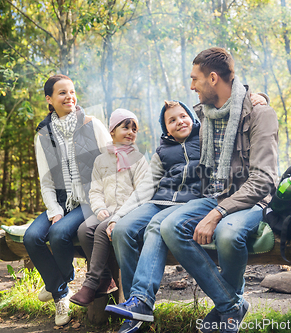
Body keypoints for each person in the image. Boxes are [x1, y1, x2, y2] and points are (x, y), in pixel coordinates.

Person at [108, 47, 278, 333]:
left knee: (227, 233)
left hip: (250, 199)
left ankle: (228, 307)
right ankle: (229, 305)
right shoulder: (206, 115)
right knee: (168, 226)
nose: (190, 87)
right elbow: (180, 131)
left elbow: (263, 180)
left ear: (213, 79)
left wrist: (218, 212)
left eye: (194, 79)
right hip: (216, 196)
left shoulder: (259, 114)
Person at [104, 100, 203, 333]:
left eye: (183, 116)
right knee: (122, 230)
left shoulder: (206, 139)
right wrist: (117, 216)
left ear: (192, 117)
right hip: (159, 201)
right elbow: (146, 188)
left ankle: (143, 301)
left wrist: (256, 97)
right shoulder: (162, 151)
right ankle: (134, 310)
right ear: (165, 128)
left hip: (187, 204)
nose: (179, 121)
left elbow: (227, 110)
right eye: (172, 120)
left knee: (155, 229)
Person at [23, 74, 111, 326]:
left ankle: (57, 287)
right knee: (31, 237)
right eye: (62, 93)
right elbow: (46, 181)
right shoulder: (43, 135)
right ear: (49, 99)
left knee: (59, 233)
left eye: (72, 91)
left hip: (90, 200)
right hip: (61, 200)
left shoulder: (93, 124)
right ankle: (59, 287)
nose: (69, 97)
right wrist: (53, 210)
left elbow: (110, 166)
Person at [70, 109, 149, 306]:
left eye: (134, 129)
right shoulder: (101, 160)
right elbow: (95, 190)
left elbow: (142, 193)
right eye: (125, 127)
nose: (130, 132)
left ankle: (90, 283)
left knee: (100, 230)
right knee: (83, 229)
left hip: (128, 213)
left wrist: (119, 214)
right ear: (112, 131)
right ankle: (105, 277)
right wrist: (99, 209)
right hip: (107, 210)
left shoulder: (138, 159)